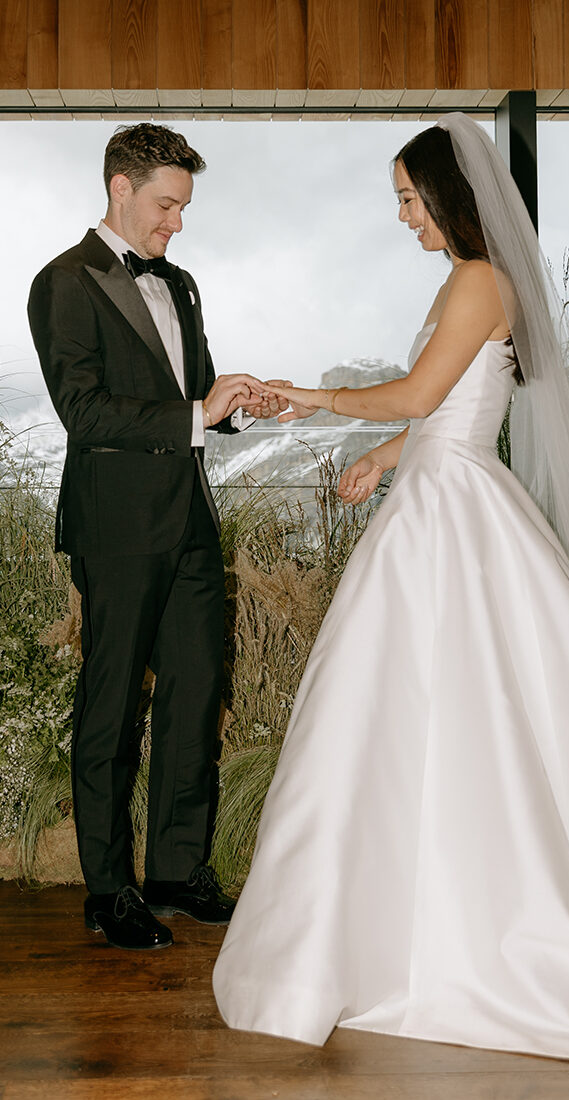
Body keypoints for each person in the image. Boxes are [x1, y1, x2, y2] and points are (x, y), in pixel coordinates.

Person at [212, 115, 569, 1063]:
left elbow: (421, 392)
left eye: (409, 198)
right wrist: (388, 451)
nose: (404, 216)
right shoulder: (472, 284)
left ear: (448, 195)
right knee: (416, 710)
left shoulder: (477, 280)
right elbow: (449, 405)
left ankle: (441, 929)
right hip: (440, 485)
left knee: (442, 704)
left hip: (450, 514)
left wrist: (316, 397)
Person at [27, 123, 293, 951]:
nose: (176, 224)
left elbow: (194, 394)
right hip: (114, 524)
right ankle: (110, 890)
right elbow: (83, 410)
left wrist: (234, 400)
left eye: (182, 207)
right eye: (166, 205)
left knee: (192, 696)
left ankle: (177, 873)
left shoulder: (181, 286)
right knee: (111, 705)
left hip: (189, 521)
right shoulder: (62, 282)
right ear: (120, 187)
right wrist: (192, 414)